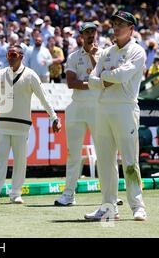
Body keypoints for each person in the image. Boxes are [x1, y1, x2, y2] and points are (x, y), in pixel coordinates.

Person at [0, 45, 61, 204]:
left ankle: (15, 194)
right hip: (3, 123)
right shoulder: (1, 74)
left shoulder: (30, 75)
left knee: (20, 161)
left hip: (22, 125)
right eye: (8, 54)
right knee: (0, 160)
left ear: (21, 56)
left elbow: (44, 98)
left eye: (13, 54)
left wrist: (54, 117)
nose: (10, 57)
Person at [87, 11, 147, 221]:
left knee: (130, 160)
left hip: (125, 108)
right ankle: (108, 206)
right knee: (105, 161)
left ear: (131, 28)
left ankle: (138, 206)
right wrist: (107, 77)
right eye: (115, 23)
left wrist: (105, 76)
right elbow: (91, 80)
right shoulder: (106, 53)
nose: (117, 27)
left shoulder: (137, 51)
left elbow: (122, 76)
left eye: (122, 24)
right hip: (103, 108)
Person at [53, 22, 102, 206]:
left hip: (97, 106)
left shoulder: (104, 54)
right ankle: (68, 195)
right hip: (77, 106)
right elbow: (71, 83)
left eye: (93, 32)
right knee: (73, 153)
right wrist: (92, 82)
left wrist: (92, 56)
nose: (90, 35)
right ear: (81, 35)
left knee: (104, 152)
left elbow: (104, 76)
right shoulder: (73, 56)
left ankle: (110, 194)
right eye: (87, 32)